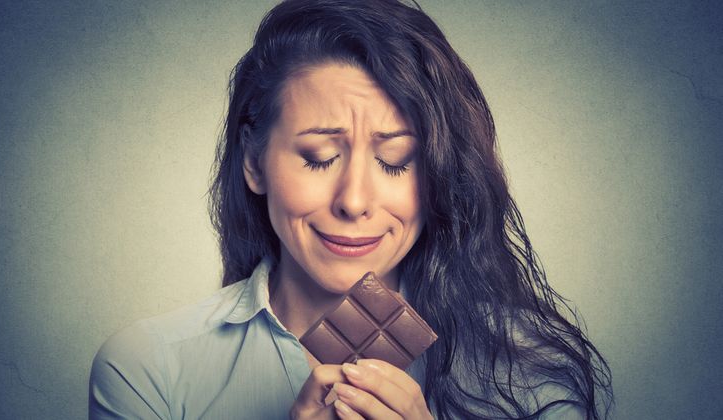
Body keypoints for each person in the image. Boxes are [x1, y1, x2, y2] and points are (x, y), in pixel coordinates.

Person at [89, 0, 613, 419]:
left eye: (395, 161)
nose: (355, 201)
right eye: (319, 159)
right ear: (254, 161)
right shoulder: (149, 369)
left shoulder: (530, 375)